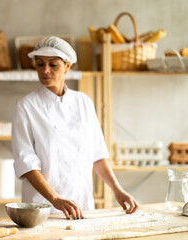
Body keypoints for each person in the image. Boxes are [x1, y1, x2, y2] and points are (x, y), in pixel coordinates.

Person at [12, 36, 138, 219]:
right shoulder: (26, 106)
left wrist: (117, 190)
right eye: (40, 64)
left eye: (53, 65)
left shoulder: (84, 102)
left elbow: (98, 153)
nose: (45, 70)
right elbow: (27, 163)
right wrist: (55, 199)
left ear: (67, 66)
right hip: (43, 207)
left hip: (82, 204)